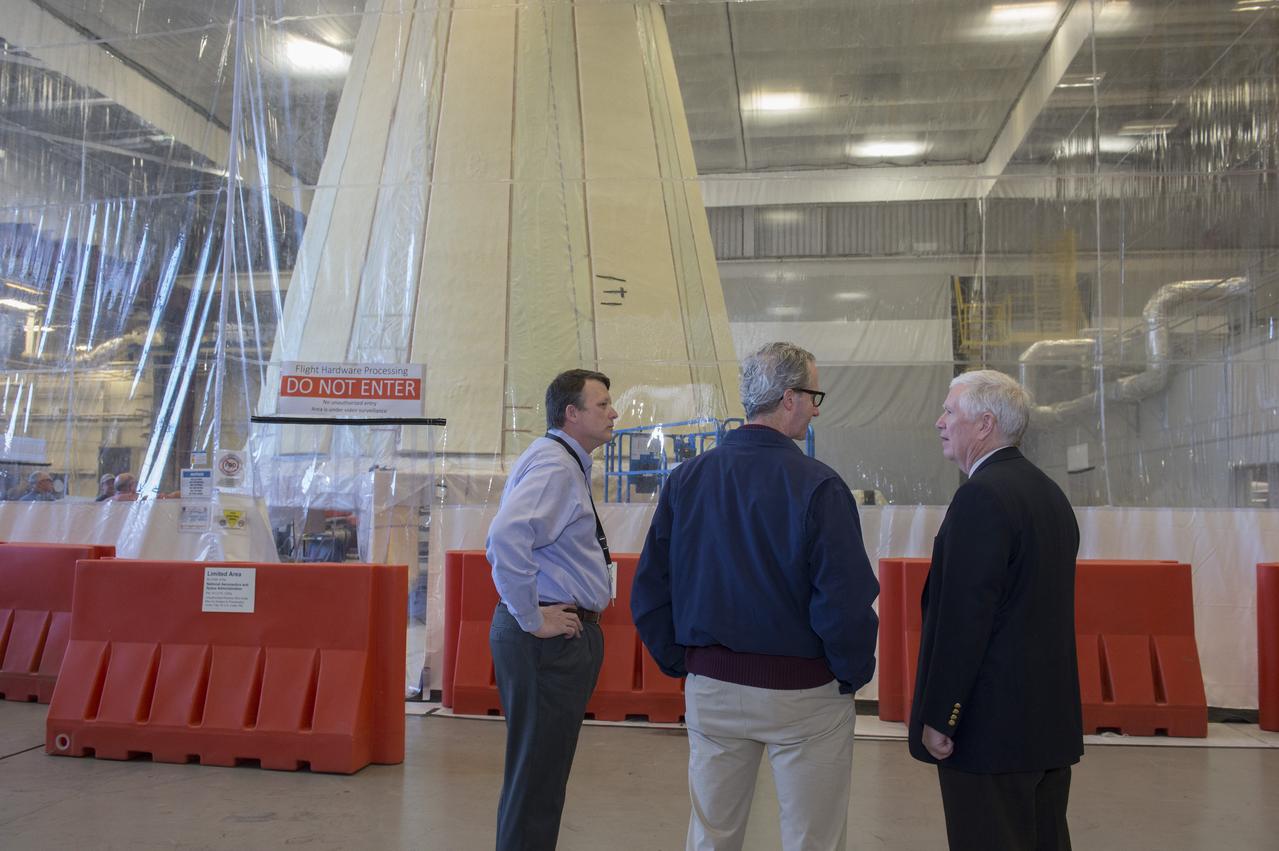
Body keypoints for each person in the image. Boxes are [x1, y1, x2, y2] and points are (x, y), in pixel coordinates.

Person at [632, 341, 880, 851]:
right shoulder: (820, 486)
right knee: (812, 837)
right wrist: (850, 671)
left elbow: (652, 588)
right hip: (804, 692)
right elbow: (844, 600)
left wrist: (685, 661)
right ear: (789, 398)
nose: (815, 408)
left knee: (712, 834)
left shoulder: (686, 480)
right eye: (814, 395)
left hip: (713, 687)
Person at [908, 370, 1083, 851]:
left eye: (949, 411)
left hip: (990, 734)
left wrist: (943, 714)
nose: (939, 421)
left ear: (984, 424)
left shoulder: (981, 498)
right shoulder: (1050, 496)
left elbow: (965, 619)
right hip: (1045, 727)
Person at [486, 368, 618, 851]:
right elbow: (506, 537)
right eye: (602, 404)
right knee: (538, 780)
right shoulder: (557, 468)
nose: (613, 412)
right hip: (547, 639)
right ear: (572, 413)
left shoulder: (560, 461)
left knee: (538, 776)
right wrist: (532, 618)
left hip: (553, 635)